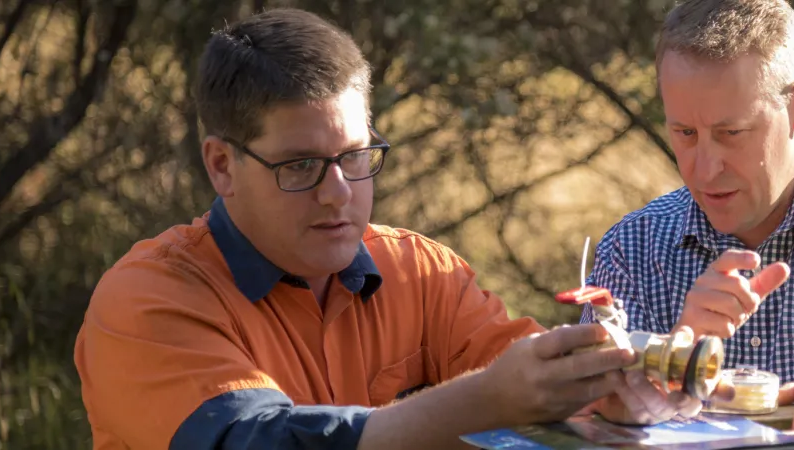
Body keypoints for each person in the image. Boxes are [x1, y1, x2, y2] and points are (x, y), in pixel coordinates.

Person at [73, 8, 687, 450]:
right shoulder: (147, 300)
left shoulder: (421, 272)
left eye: (355, 156)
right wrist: (489, 400)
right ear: (222, 165)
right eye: (302, 165)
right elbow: (263, 440)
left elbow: (540, 398)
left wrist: (616, 389)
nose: (338, 190)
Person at [581, 0, 794, 430]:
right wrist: (671, 355)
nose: (704, 169)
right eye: (685, 133)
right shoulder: (632, 251)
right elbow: (592, 416)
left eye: (731, 133)